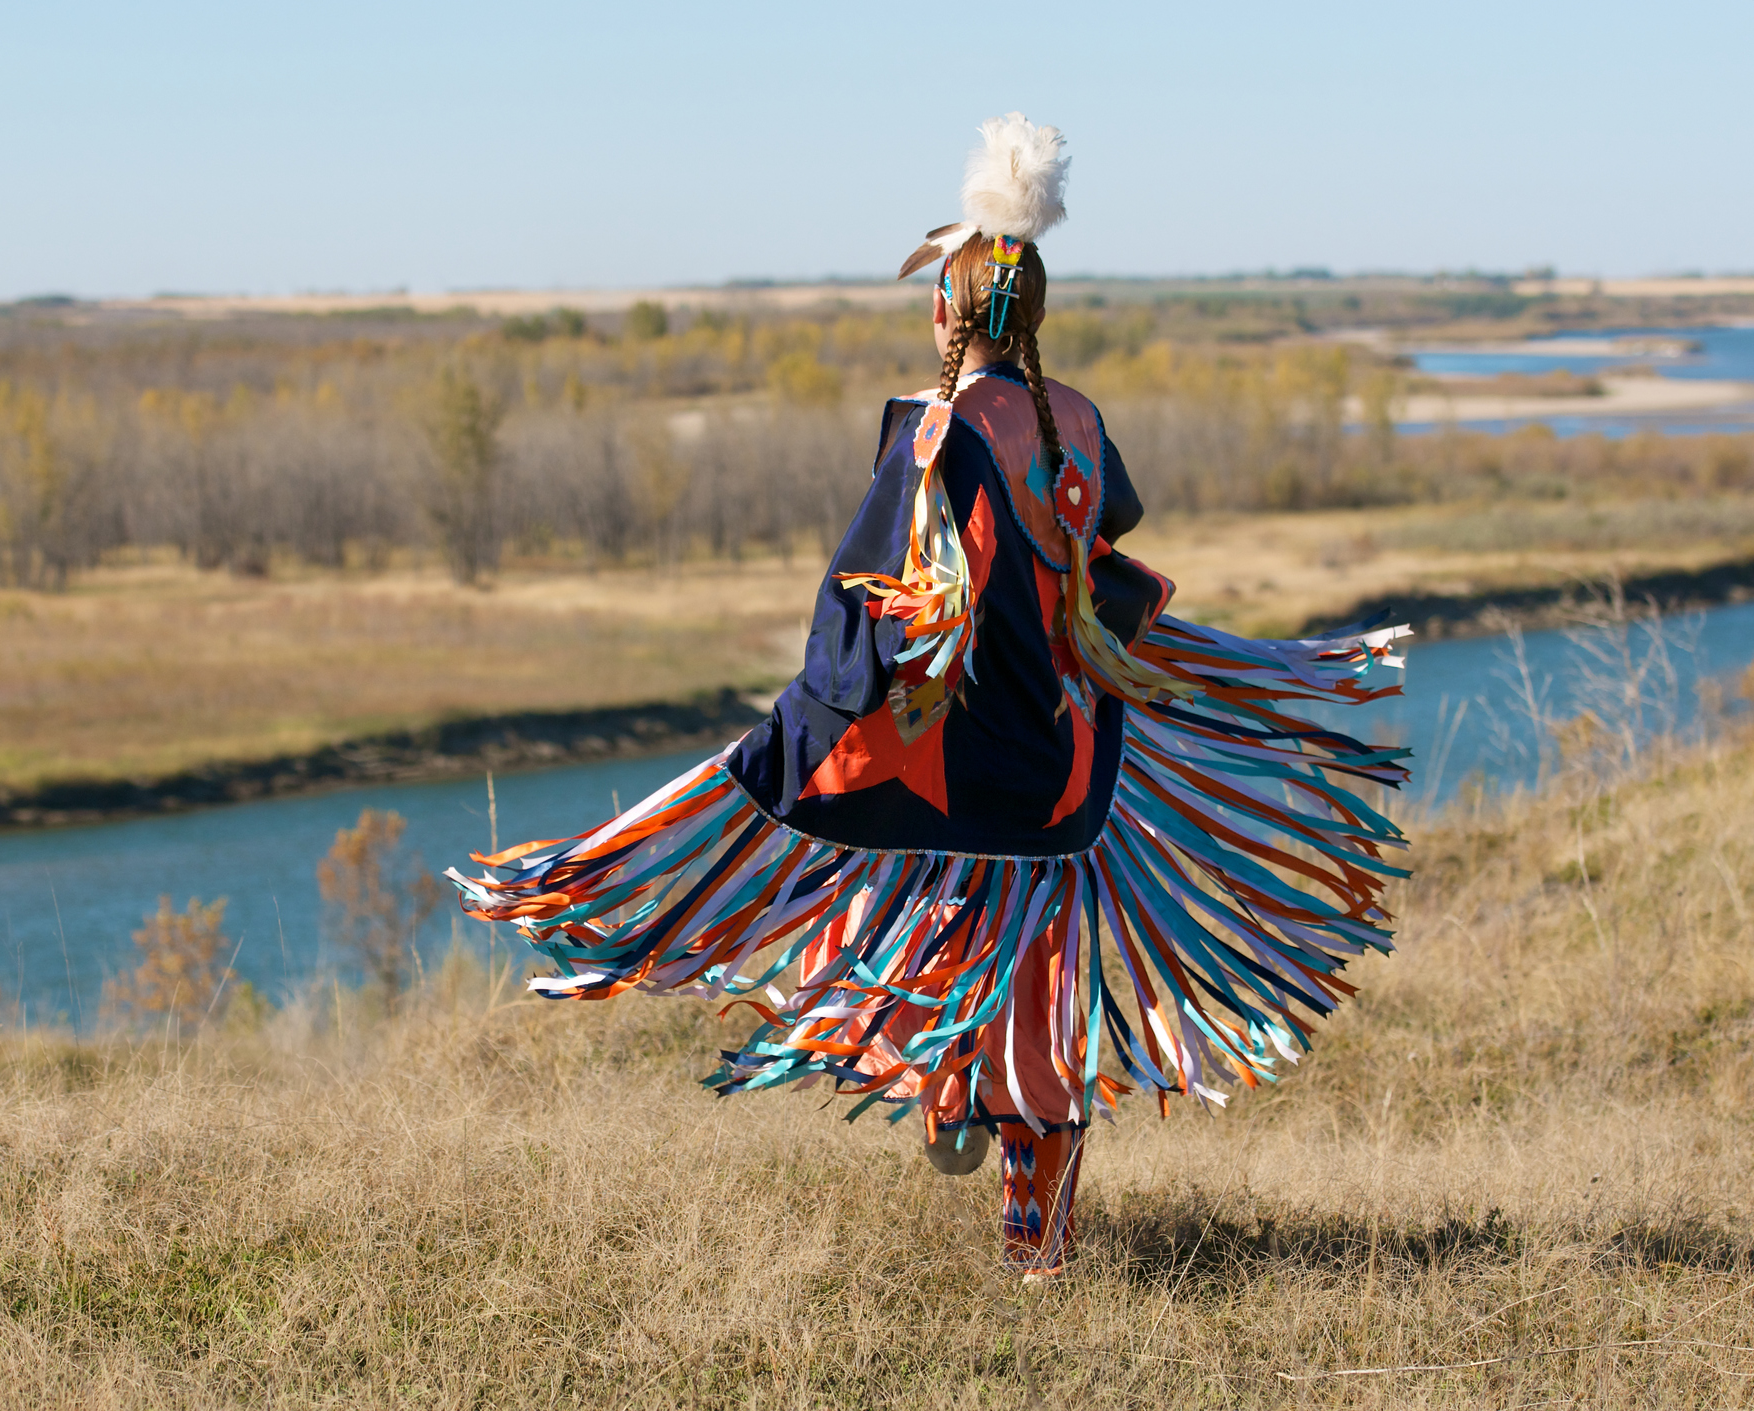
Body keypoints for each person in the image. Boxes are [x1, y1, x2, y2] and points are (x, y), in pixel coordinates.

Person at [448, 114, 1409, 1281]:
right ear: (1035, 315)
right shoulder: (1083, 423)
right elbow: (1085, 560)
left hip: (939, 763)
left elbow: (865, 599)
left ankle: (948, 1087)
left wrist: (805, 723)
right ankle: (1035, 1232)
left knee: (916, 926)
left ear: (944, 311)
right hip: (1058, 772)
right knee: (1039, 983)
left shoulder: (926, 432)